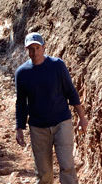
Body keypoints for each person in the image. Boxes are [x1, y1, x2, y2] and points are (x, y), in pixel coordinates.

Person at [15, 32, 88, 184]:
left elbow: (71, 92)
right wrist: (19, 128)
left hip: (62, 123)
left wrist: (82, 117)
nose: (34, 52)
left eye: (37, 48)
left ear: (43, 47)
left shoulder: (57, 66)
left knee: (67, 166)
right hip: (38, 128)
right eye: (31, 49)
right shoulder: (22, 73)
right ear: (26, 50)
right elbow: (21, 103)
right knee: (44, 173)